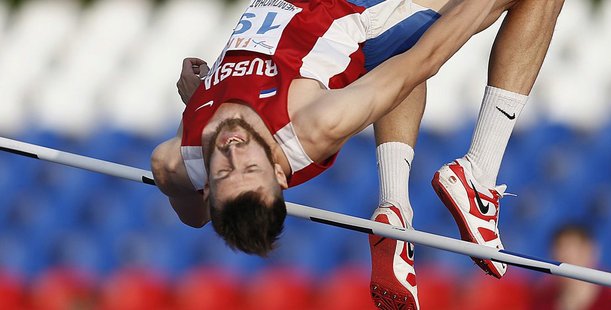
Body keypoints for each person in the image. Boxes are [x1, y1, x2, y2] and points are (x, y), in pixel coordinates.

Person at [151, 0, 563, 308]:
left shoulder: (173, 163)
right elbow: (420, 63)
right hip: (352, 8)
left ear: (206, 187)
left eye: (223, 172)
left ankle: (395, 207)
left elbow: (194, 217)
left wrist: (197, 103)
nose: (233, 150)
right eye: (251, 168)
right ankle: (479, 173)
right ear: (279, 175)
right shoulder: (314, 123)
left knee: (388, 72)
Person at [533, 224, 611, 310]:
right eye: (561, 258)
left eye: (575, 257)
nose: (567, 269)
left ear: (590, 252)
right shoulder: (542, 300)